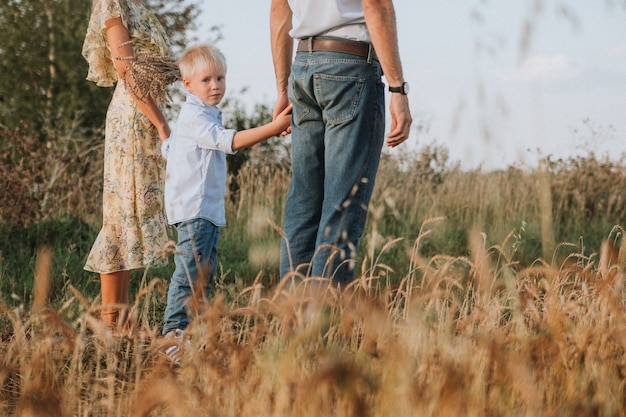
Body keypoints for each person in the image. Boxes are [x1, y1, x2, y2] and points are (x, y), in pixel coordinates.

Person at [270, 0, 413, 286]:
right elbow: (376, 5)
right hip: (350, 67)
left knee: (303, 201)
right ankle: (322, 325)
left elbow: (278, 11)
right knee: (342, 203)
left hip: (303, 68)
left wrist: (283, 88)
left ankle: (290, 321)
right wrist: (398, 89)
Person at [160, 44, 292, 346]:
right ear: (188, 85)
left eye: (220, 78)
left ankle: (191, 333)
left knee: (202, 272)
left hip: (201, 210)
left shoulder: (198, 114)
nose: (215, 85)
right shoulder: (197, 117)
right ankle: (174, 334)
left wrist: (164, 138)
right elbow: (226, 142)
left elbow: (169, 149)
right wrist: (273, 128)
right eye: (206, 80)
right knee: (190, 273)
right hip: (196, 210)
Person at [82, 0, 172, 332]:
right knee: (120, 215)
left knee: (130, 215)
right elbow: (126, 68)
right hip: (135, 115)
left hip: (144, 111)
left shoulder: (138, 5)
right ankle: (110, 321)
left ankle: (118, 318)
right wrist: (162, 126)